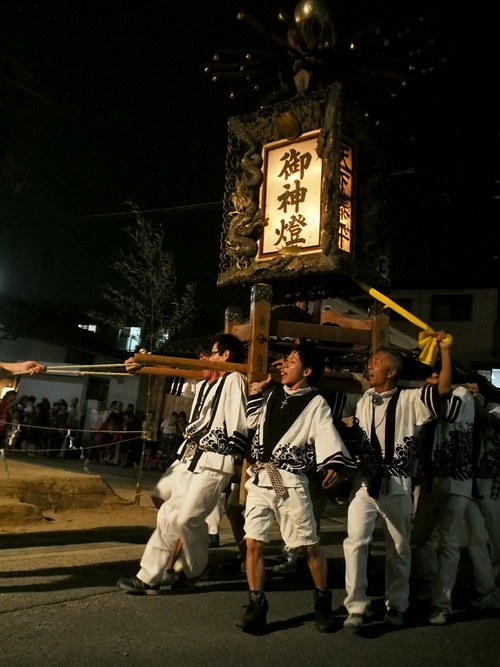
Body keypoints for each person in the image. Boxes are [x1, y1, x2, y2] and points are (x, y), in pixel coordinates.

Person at [117, 333, 248, 595]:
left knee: (188, 518)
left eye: (212, 353)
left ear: (225, 356)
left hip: (215, 460)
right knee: (167, 515)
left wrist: (237, 456)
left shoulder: (234, 379)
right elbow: (178, 372)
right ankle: (149, 578)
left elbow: (239, 419)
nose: (207, 358)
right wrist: (142, 364)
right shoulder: (205, 385)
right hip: (190, 458)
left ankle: (196, 568)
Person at [240, 342, 356, 634]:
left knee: (309, 546)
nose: (284, 364)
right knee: (253, 542)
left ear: (306, 371)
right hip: (260, 479)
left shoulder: (316, 402)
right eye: (285, 360)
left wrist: (332, 463)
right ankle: (257, 605)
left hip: (290, 482)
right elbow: (252, 421)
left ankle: (322, 600)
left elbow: (325, 433)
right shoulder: (273, 393)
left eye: (291, 361)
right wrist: (259, 388)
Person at [342, 333, 453, 630]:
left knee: (399, 548)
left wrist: (443, 351)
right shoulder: (364, 398)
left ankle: (398, 605)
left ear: (392, 372)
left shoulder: (409, 399)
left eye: (376, 362)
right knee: (354, 542)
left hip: (397, 483)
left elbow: (442, 389)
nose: (370, 365)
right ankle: (356, 606)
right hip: (365, 484)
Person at [462, 382, 500, 609]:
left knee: (498, 541)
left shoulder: (495, 409)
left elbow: (489, 421)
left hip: (493, 487)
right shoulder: (464, 411)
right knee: (476, 542)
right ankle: (487, 591)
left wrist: (472, 401)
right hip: (470, 485)